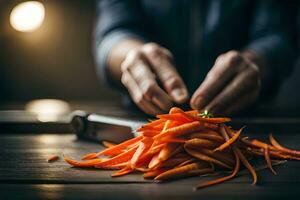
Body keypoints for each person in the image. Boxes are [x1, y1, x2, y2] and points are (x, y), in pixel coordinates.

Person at [94, 0, 297, 116]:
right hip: (145, 125)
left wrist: (256, 62)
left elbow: (278, 34)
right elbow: (114, 32)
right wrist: (131, 55)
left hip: (244, 125)